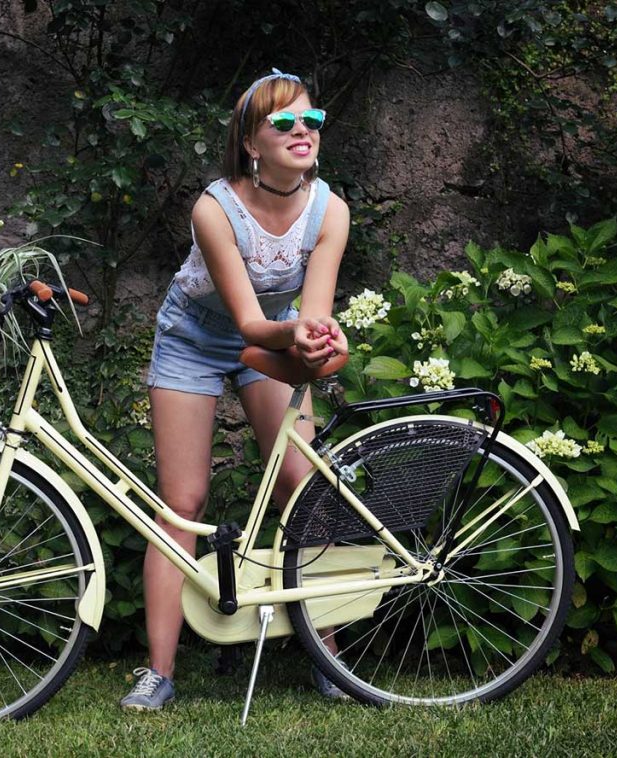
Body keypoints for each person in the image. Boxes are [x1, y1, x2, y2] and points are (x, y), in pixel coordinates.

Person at [120, 69, 351, 711]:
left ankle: (329, 655)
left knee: (303, 482)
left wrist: (318, 341)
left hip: (268, 342)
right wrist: (296, 333)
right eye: (284, 123)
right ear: (252, 142)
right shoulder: (213, 208)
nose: (302, 130)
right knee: (181, 502)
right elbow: (249, 321)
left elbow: (314, 314)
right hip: (195, 336)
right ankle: (158, 673)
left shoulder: (330, 210)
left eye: (312, 119)